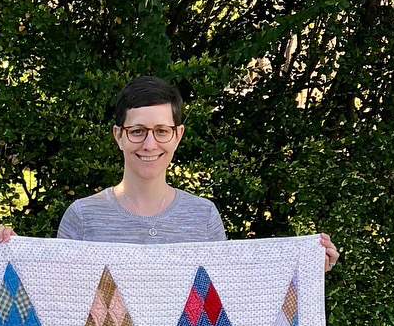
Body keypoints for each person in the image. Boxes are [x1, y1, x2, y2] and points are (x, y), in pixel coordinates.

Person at [57, 75, 339, 270]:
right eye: (138, 131)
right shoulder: (82, 217)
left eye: (162, 131)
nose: (150, 144)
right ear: (118, 135)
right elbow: (56, 300)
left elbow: (228, 296)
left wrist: (306, 267)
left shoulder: (203, 216)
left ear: (178, 135)